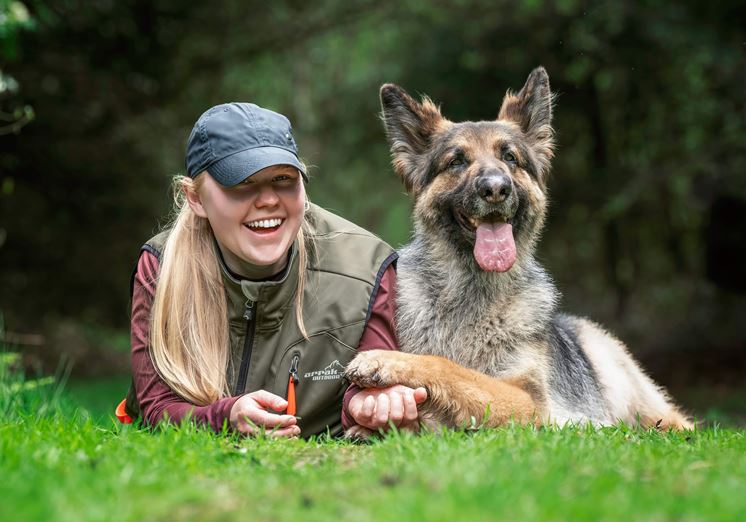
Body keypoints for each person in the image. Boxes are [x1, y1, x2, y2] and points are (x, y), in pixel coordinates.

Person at [120, 102, 427, 438]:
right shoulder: (161, 265)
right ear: (195, 198)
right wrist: (225, 417)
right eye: (241, 183)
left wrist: (368, 406)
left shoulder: (367, 267)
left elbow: (370, 381)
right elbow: (155, 404)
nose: (268, 200)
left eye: (282, 179)